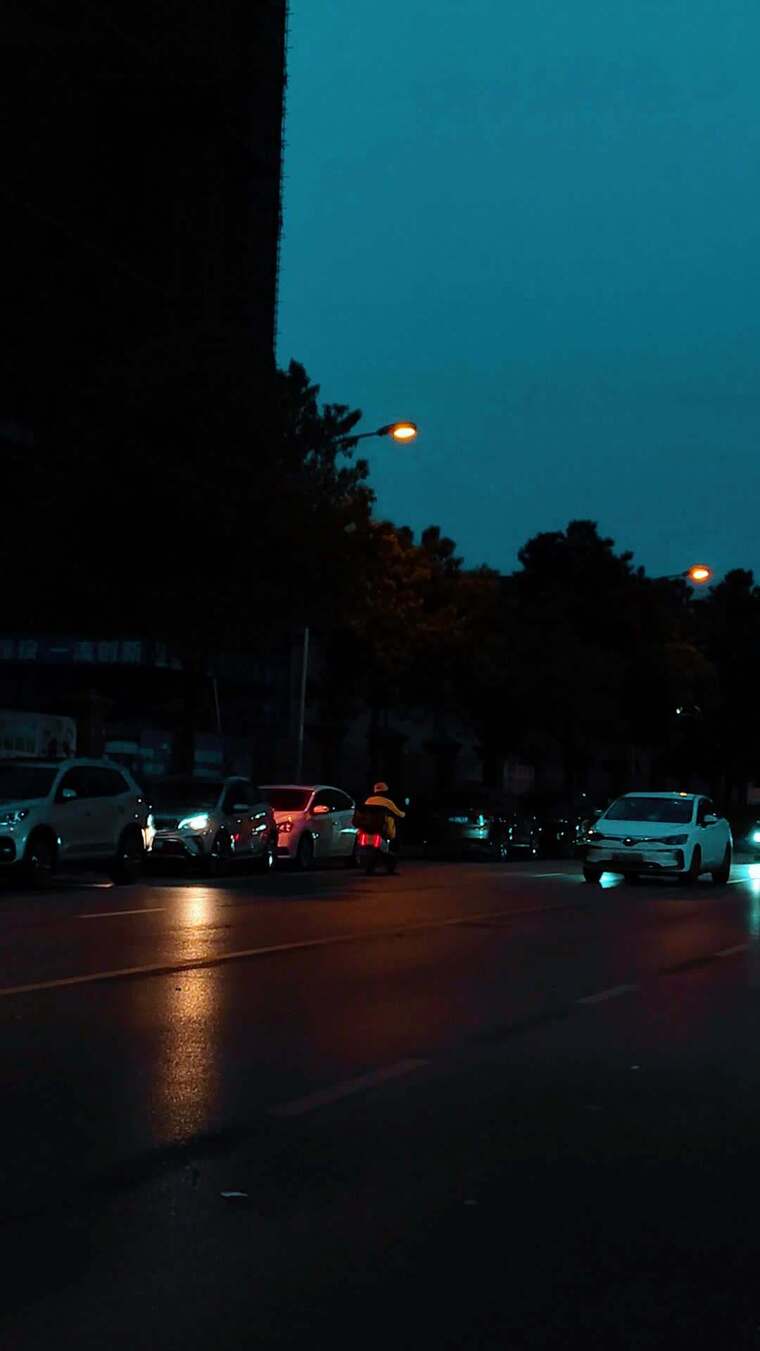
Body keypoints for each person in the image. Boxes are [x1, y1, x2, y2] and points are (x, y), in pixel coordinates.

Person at [363, 782, 406, 870]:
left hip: (368, 827)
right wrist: (404, 814)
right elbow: (399, 813)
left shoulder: (368, 800)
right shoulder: (387, 802)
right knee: (394, 837)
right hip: (383, 829)